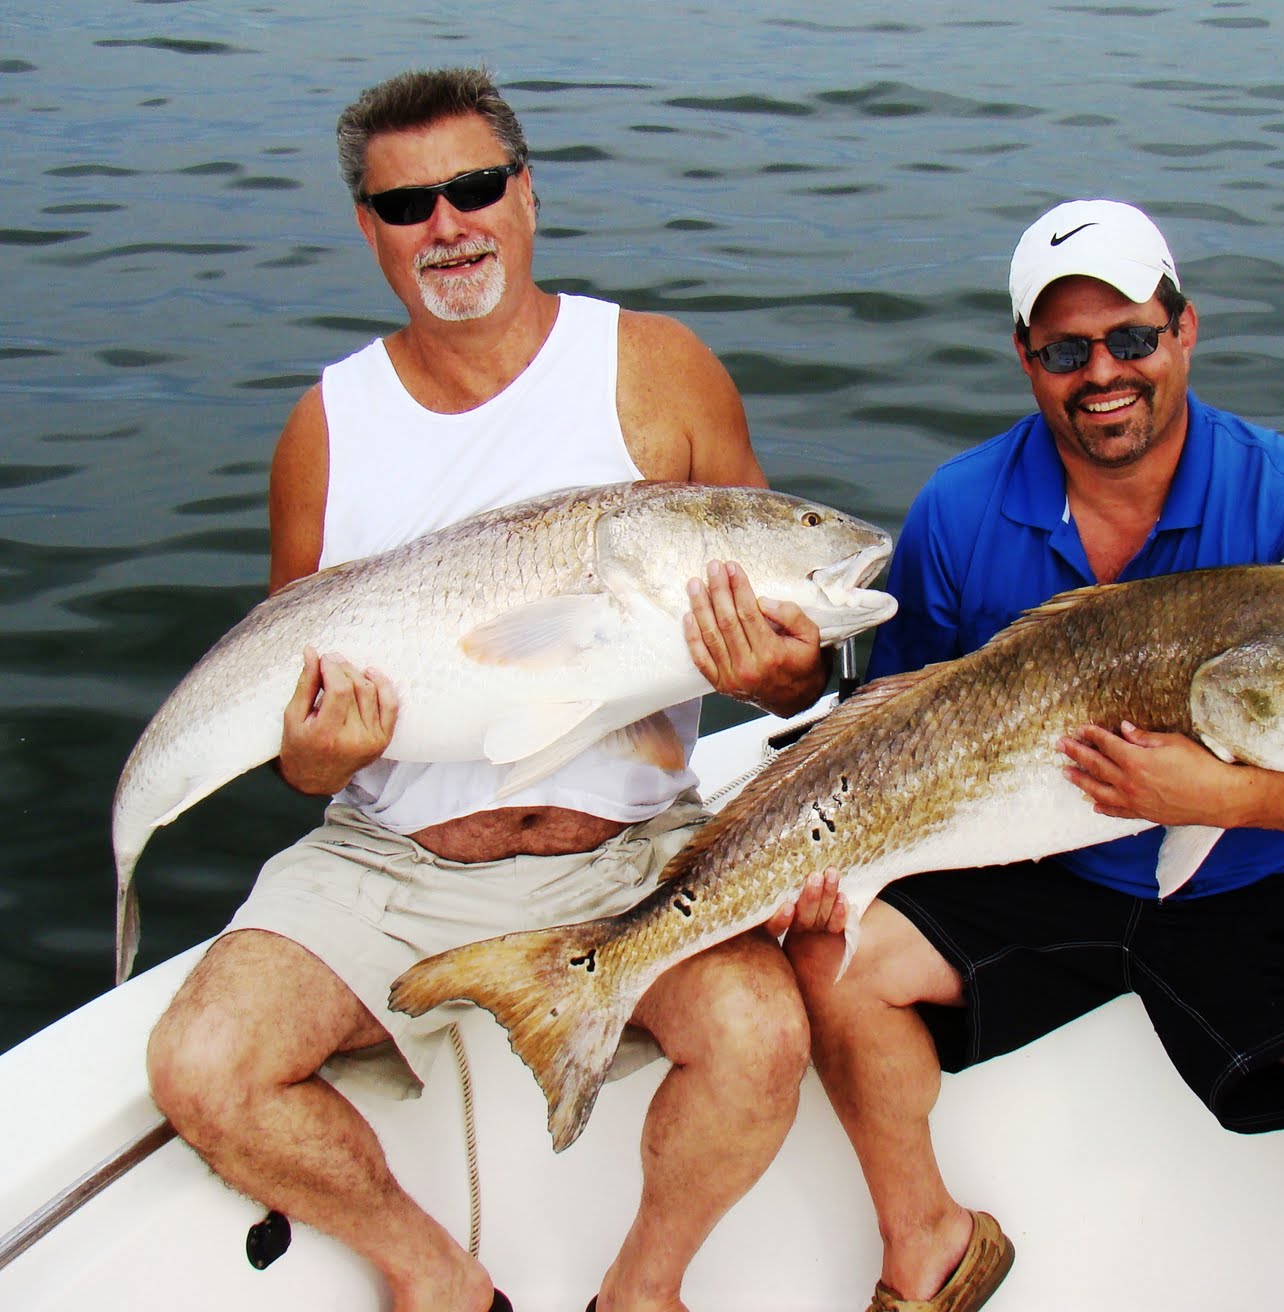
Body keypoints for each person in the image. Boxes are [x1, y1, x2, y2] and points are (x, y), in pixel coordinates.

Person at [145, 67, 834, 1312]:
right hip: (390, 861)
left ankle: (641, 1291)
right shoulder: (325, 429)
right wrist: (312, 756)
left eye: (472, 187)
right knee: (203, 1064)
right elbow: (297, 734)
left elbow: (785, 644)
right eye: (406, 205)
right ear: (367, 227)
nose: (447, 226)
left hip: (627, 854)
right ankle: (440, 1281)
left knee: (761, 1033)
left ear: (525, 191)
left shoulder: (657, 368)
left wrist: (787, 672)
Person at [782, 199, 1284, 1312]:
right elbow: (891, 726)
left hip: (1261, 879)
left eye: (1131, 337)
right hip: (1033, 865)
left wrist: (1220, 794)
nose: (1103, 372)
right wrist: (835, 857)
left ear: (1184, 329)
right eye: (1067, 350)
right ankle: (930, 1246)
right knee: (832, 960)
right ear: (1027, 357)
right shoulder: (959, 509)